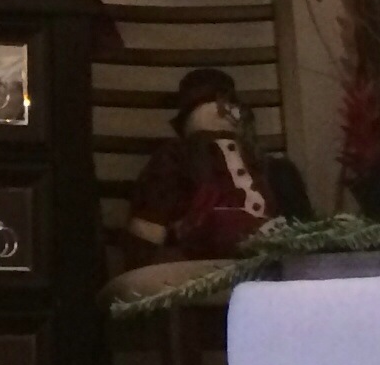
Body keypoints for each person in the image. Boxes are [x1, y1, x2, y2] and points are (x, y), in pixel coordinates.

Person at [122, 66, 307, 263]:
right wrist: (149, 252)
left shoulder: (268, 165)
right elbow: (151, 214)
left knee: (284, 174)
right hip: (199, 254)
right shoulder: (176, 156)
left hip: (270, 251)